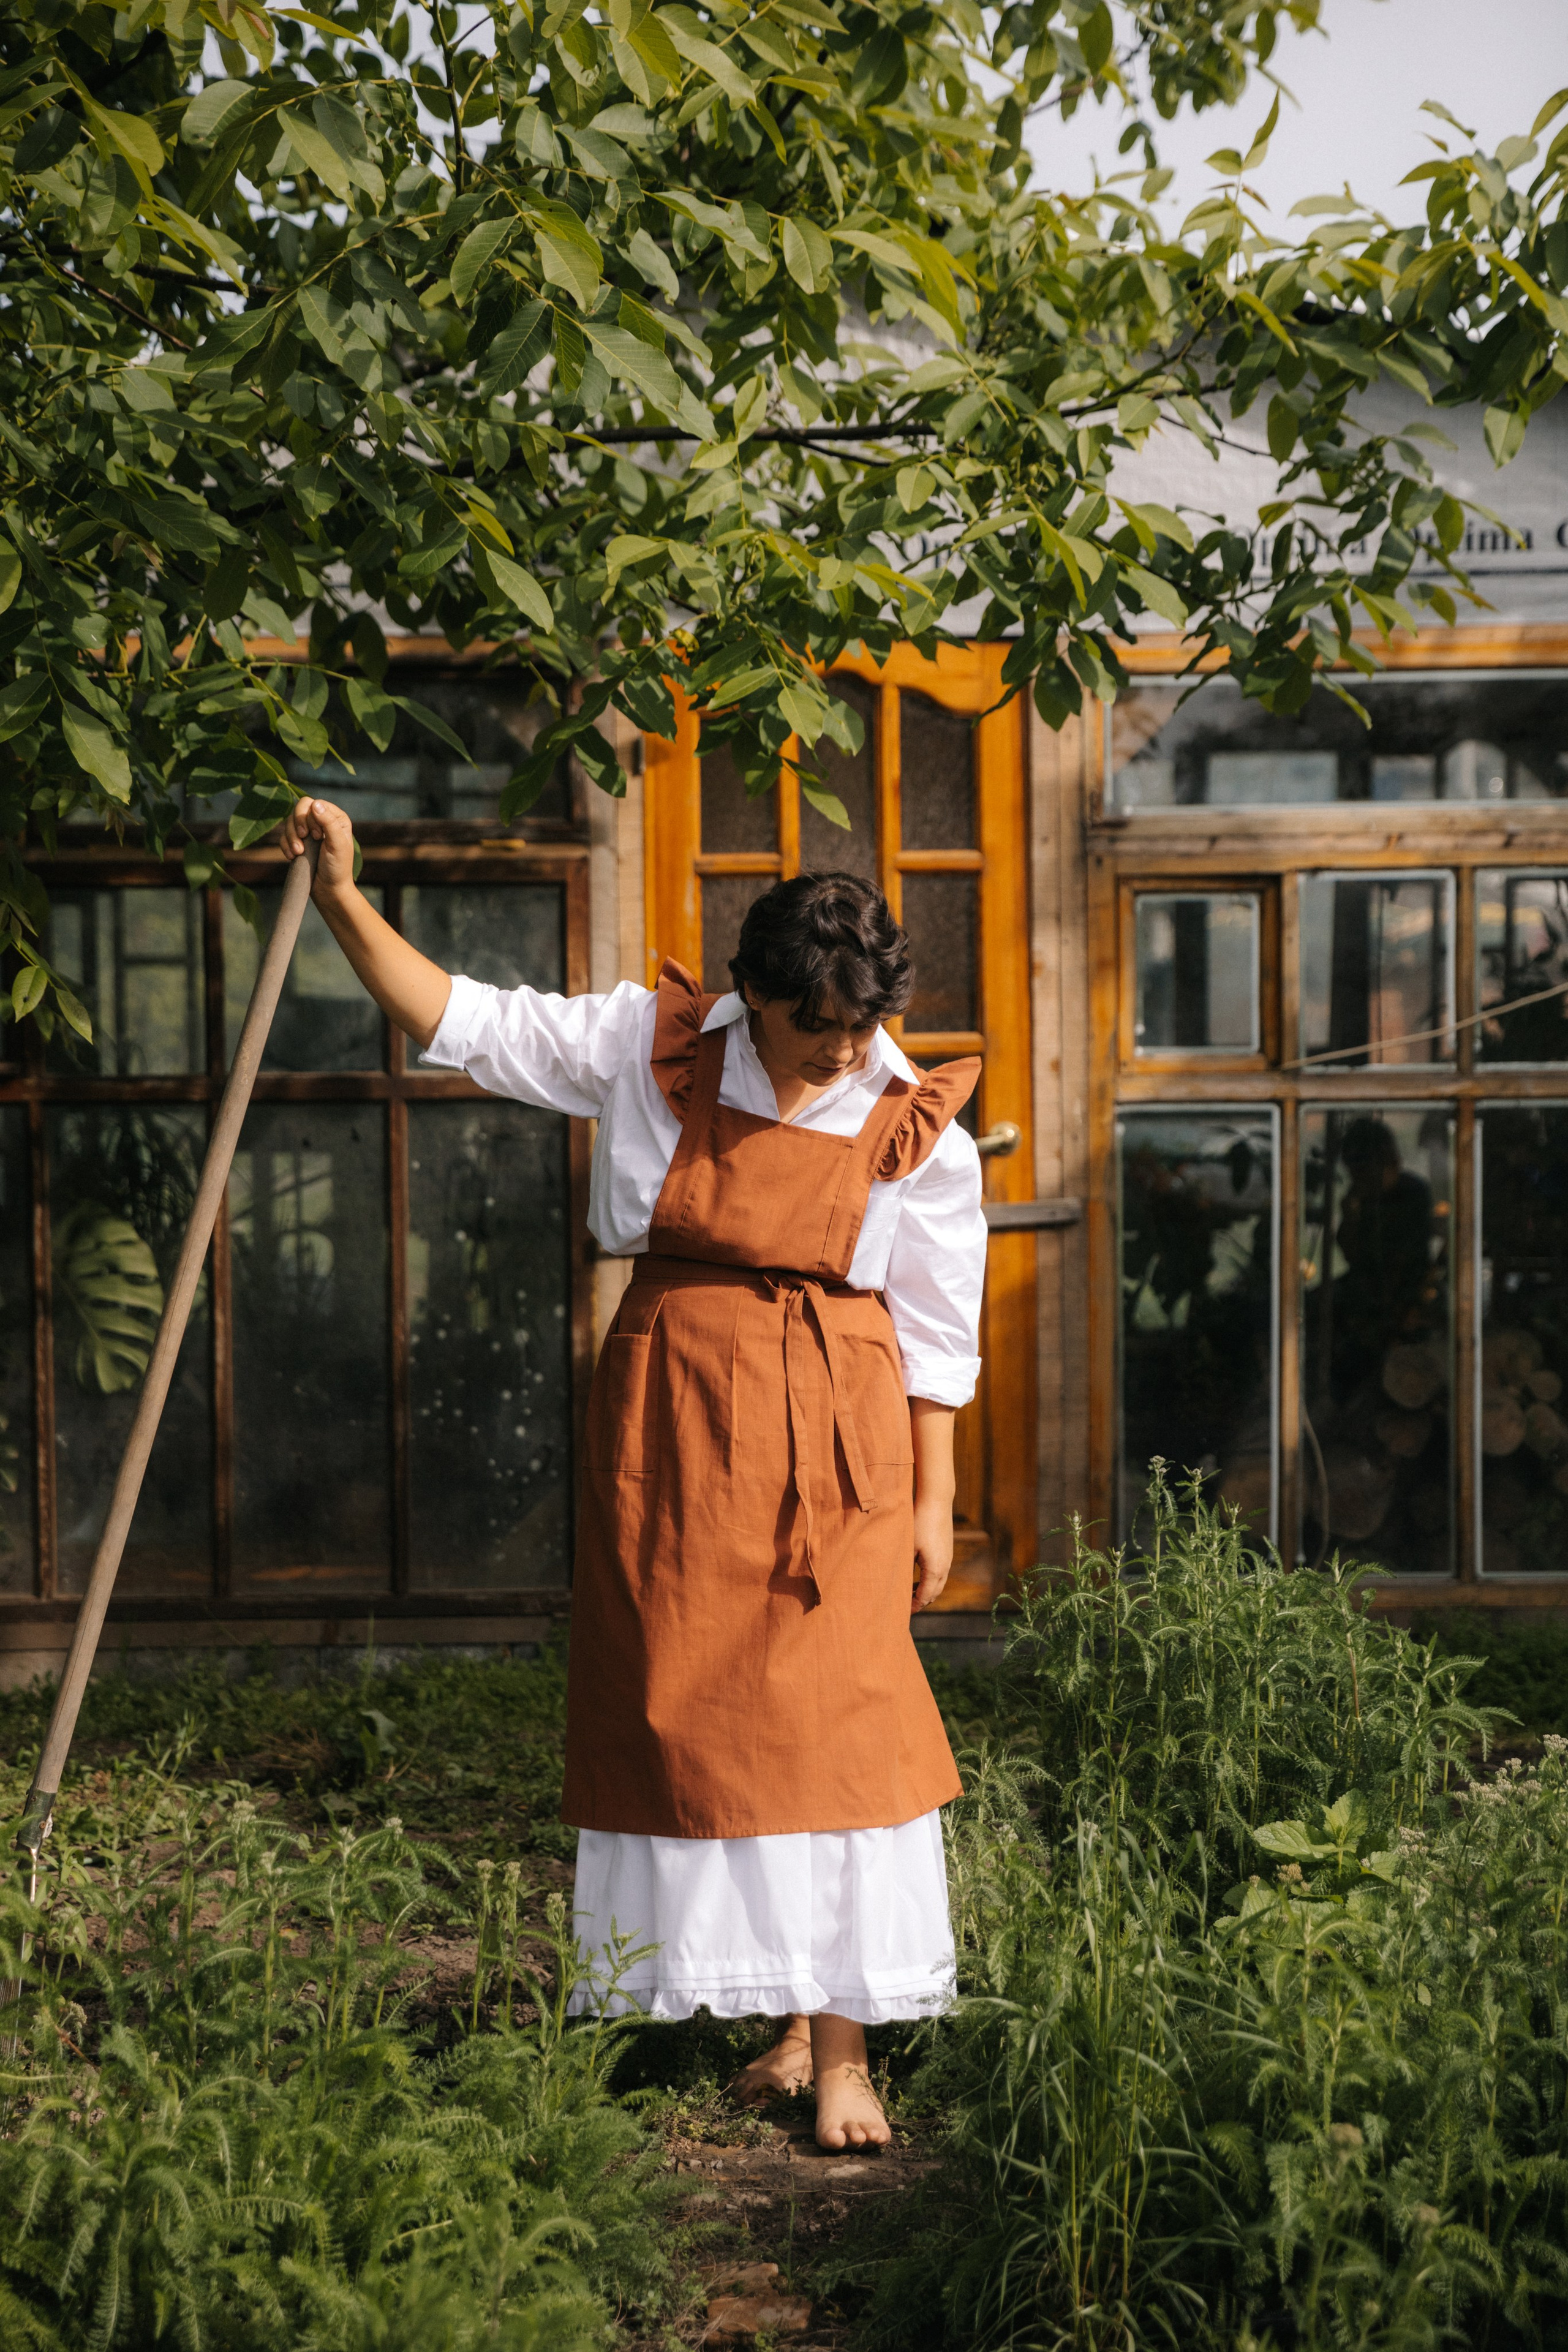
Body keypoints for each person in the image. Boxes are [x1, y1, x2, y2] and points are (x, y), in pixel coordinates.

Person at [278, 796, 988, 2151]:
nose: (839, 1055)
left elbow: (939, 1329)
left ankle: (842, 2056)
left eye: (857, 1030)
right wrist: (340, 899)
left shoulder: (912, 1123)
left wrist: (934, 1496)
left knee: (843, 1729)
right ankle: (774, 2021)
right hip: (671, 1422)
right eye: (813, 1031)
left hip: (838, 1435)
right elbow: (462, 1020)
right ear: (750, 1000)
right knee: (692, 1714)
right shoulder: (643, 1047)